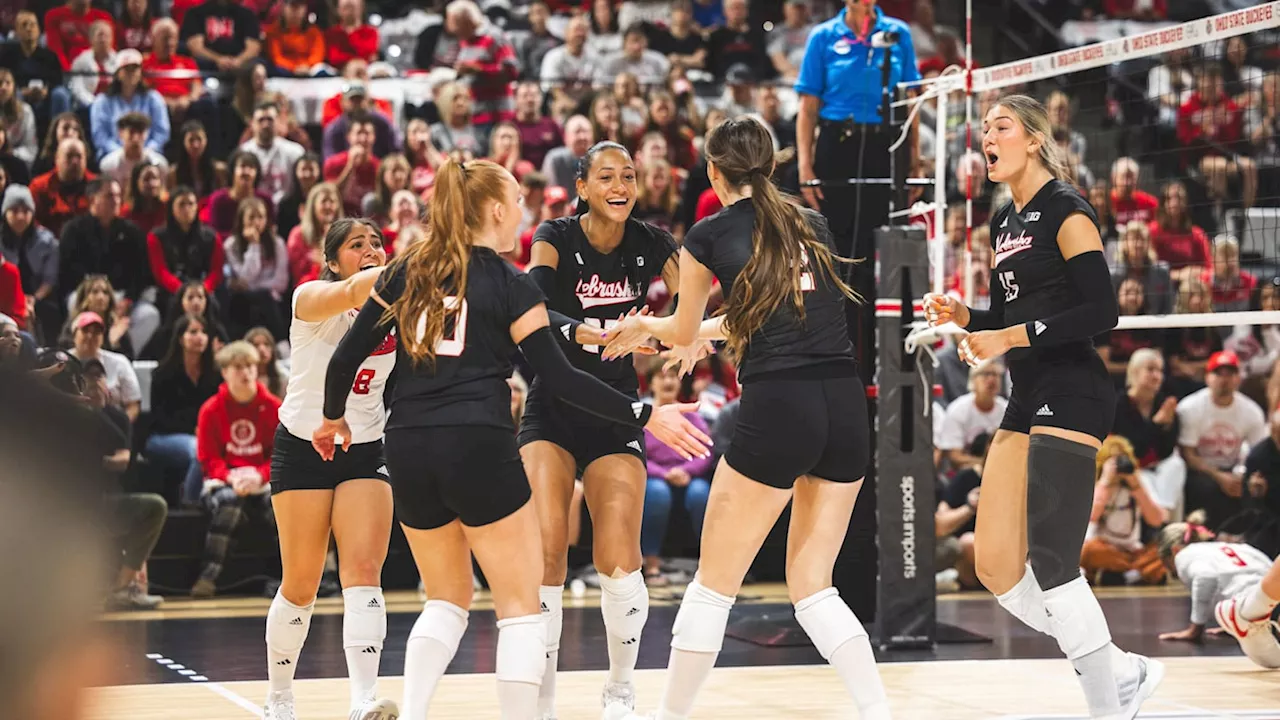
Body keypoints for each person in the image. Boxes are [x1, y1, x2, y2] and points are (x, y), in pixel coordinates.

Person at [313, 157, 707, 720]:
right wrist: (645, 415)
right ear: (496, 211)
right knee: (522, 608)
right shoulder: (510, 282)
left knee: (447, 597)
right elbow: (564, 378)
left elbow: (348, 356)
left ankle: (412, 711)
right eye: (517, 199)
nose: (524, 208)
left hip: (406, 444)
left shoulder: (403, 270)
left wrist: (333, 418)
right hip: (478, 441)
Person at [600, 117, 887, 720]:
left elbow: (679, 327)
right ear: (770, 166)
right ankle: (877, 712)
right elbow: (768, 315)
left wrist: (649, 328)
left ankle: (668, 716)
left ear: (713, 172)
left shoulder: (708, 231)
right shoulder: (810, 221)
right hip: (843, 401)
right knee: (814, 584)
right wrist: (701, 336)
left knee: (713, 584)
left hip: (782, 402)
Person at [922, 94, 1161, 718]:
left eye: (999, 127)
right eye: (983, 130)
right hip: (1027, 395)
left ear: (1033, 139)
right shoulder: (1005, 220)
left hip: (1075, 390)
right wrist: (966, 316)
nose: (986, 137)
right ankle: (1121, 671)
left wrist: (1009, 337)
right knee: (998, 568)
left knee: (1055, 561)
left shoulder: (1065, 208)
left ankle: (1108, 706)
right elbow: (1006, 315)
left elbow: (1100, 311)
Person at [520, 140, 680, 715]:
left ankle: (620, 689)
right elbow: (534, 308)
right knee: (546, 556)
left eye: (629, 177)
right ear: (582, 187)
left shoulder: (654, 241)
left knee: (619, 555)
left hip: (616, 404)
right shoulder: (554, 237)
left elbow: (694, 300)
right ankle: (542, 696)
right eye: (606, 177)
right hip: (554, 403)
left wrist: (672, 333)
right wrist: (587, 333)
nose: (620, 186)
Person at [263, 218, 398, 720]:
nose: (370, 249)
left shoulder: (395, 310)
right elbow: (355, 291)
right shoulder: (311, 296)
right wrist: (406, 268)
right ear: (333, 260)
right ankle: (279, 697)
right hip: (303, 446)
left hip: (365, 448)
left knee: (363, 573)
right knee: (300, 583)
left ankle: (363, 699)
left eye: (377, 242)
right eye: (356, 245)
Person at [796, 0, 920, 382]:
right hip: (837, 148)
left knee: (876, 254)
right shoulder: (823, 37)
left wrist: (913, 160)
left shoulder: (899, 34)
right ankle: (836, 356)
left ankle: (877, 365)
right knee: (836, 253)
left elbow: (910, 100)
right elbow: (808, 106)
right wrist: (805, 166)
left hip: (885, 146)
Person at [193, 341, 280, 597]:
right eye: (239, 367)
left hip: (261, 481)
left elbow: (279, 455)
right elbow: (208, 459)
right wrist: (231, 477)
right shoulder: (211, 409)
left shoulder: (274, 407)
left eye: (251, 366)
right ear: (225, 372)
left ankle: (286, 581)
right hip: (224, 482)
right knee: (229, 503)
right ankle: (208, 577)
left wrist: (260, 476)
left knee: (283, 506)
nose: (246, 372)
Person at [1156, 518, 1280, 668]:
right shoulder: (1234, 547)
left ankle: (1245, 614)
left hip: (1253, 604)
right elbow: (1270, 569)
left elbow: (1205, 577)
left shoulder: (1184, 555)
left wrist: (1195, 628)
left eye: (1166, 564)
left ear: (1174, 550)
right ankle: (1244, 615)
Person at [147, 314, 221, 503]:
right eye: (193, 332)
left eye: (204, 332)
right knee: (198, 450)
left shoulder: (214, 374)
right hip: (163, 437)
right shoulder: (162, 374)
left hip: (202, 434)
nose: (200, 337)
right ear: (181, 338)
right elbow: (160, 418)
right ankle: (189, 505)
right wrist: (194, 429)